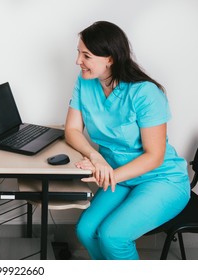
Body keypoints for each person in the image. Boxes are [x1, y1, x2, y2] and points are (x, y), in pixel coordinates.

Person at [65, 21, 190, 260]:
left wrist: (108, 175)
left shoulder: (145, 93)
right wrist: (96, 157)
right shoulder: (85, 81)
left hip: (161, 179)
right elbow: (71, 129)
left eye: (86, 55)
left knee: (113, 236)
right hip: (119, 176)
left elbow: (155, 156)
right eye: (78, 53)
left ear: (109, 58)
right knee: (86, 230)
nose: (78, 61)